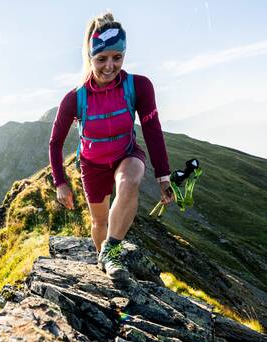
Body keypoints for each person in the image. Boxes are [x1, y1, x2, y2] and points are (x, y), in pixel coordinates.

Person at [49, 11, 174, 281]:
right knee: (99, 222)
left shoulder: (139, 86)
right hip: (92, 165)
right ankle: (105, 263)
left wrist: (163, 176)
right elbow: (55, 143)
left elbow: (152, 131)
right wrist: (60, 183)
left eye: (117, 57)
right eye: (101, 59)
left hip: (126, 154)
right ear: (90, 57)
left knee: (129, 182)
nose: (109, 66)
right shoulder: (74, 99)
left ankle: (111, 252)